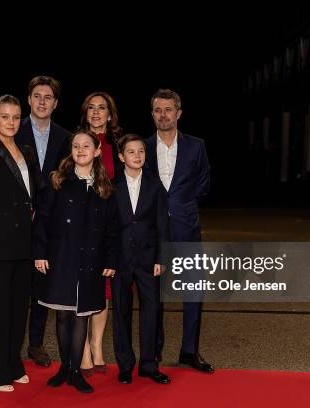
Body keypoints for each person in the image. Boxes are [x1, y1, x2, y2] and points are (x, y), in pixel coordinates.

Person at [33, 130, 119, 393]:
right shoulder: (58, 182)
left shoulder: (104, 188)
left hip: (90, 260)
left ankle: (74, 371)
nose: (80, 150)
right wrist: (40, 253)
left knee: (82, 315)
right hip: (61, 257)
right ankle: (63, 368)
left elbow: (111, 230)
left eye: (86, 146)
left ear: (96, 152)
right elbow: (42, 221)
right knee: (62, 315)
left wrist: (110, 259)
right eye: (75, 146)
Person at [0, 94, 44, 392]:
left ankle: (13, 364)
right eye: (5, 116)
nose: (11, 122)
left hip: (24, 243)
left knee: (18, 309)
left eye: (16, 117)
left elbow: (36, 192)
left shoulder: (27, 151)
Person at [144, 89, 214, 373]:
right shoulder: (142, 147)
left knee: (193, 291)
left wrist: (181, 205)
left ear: (178, 113)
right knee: (154, 293)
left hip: (187, 228)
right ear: (152, 114)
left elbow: (204, 183)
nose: (163, 114)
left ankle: (189, 351)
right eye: (158, 110)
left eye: (168, 109)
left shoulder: (197, 146)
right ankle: (154, 350)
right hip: (153, 231)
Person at [16, 75, 71, 368]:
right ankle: (10, 344)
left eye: (48, 97)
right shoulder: (13, 129)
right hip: (16, 219)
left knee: (40, 284)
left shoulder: (65, 136)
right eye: (37, 96)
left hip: (48, 220)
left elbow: (64, 179)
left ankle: (35, 344)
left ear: (55, 103)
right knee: (14, 284)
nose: (41, 101)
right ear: (28, 99)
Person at [112, 134, 171, 385]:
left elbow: (162, 224)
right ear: (121, 156)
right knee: (121, 313)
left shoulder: (155, 186)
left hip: (149, 259)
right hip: (119, 259)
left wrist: (161, 257)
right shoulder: (111, 186)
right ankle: (125, 365)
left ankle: (149, 364)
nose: (137, 156)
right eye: (131, 152)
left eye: (141, 152)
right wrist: (109, 259)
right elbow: (107, 228)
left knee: (152, 311)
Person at [78, 91, 123, 374]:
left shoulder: (119, 143)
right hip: (81, 225)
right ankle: (81, 348)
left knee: (104, 289)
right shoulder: (76, 142)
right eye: (91, 108)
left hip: (109, 224)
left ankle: (97, 346)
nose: (96, 112)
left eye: (102, 108)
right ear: (85, 113)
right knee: (82, 288)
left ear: (110, 113)